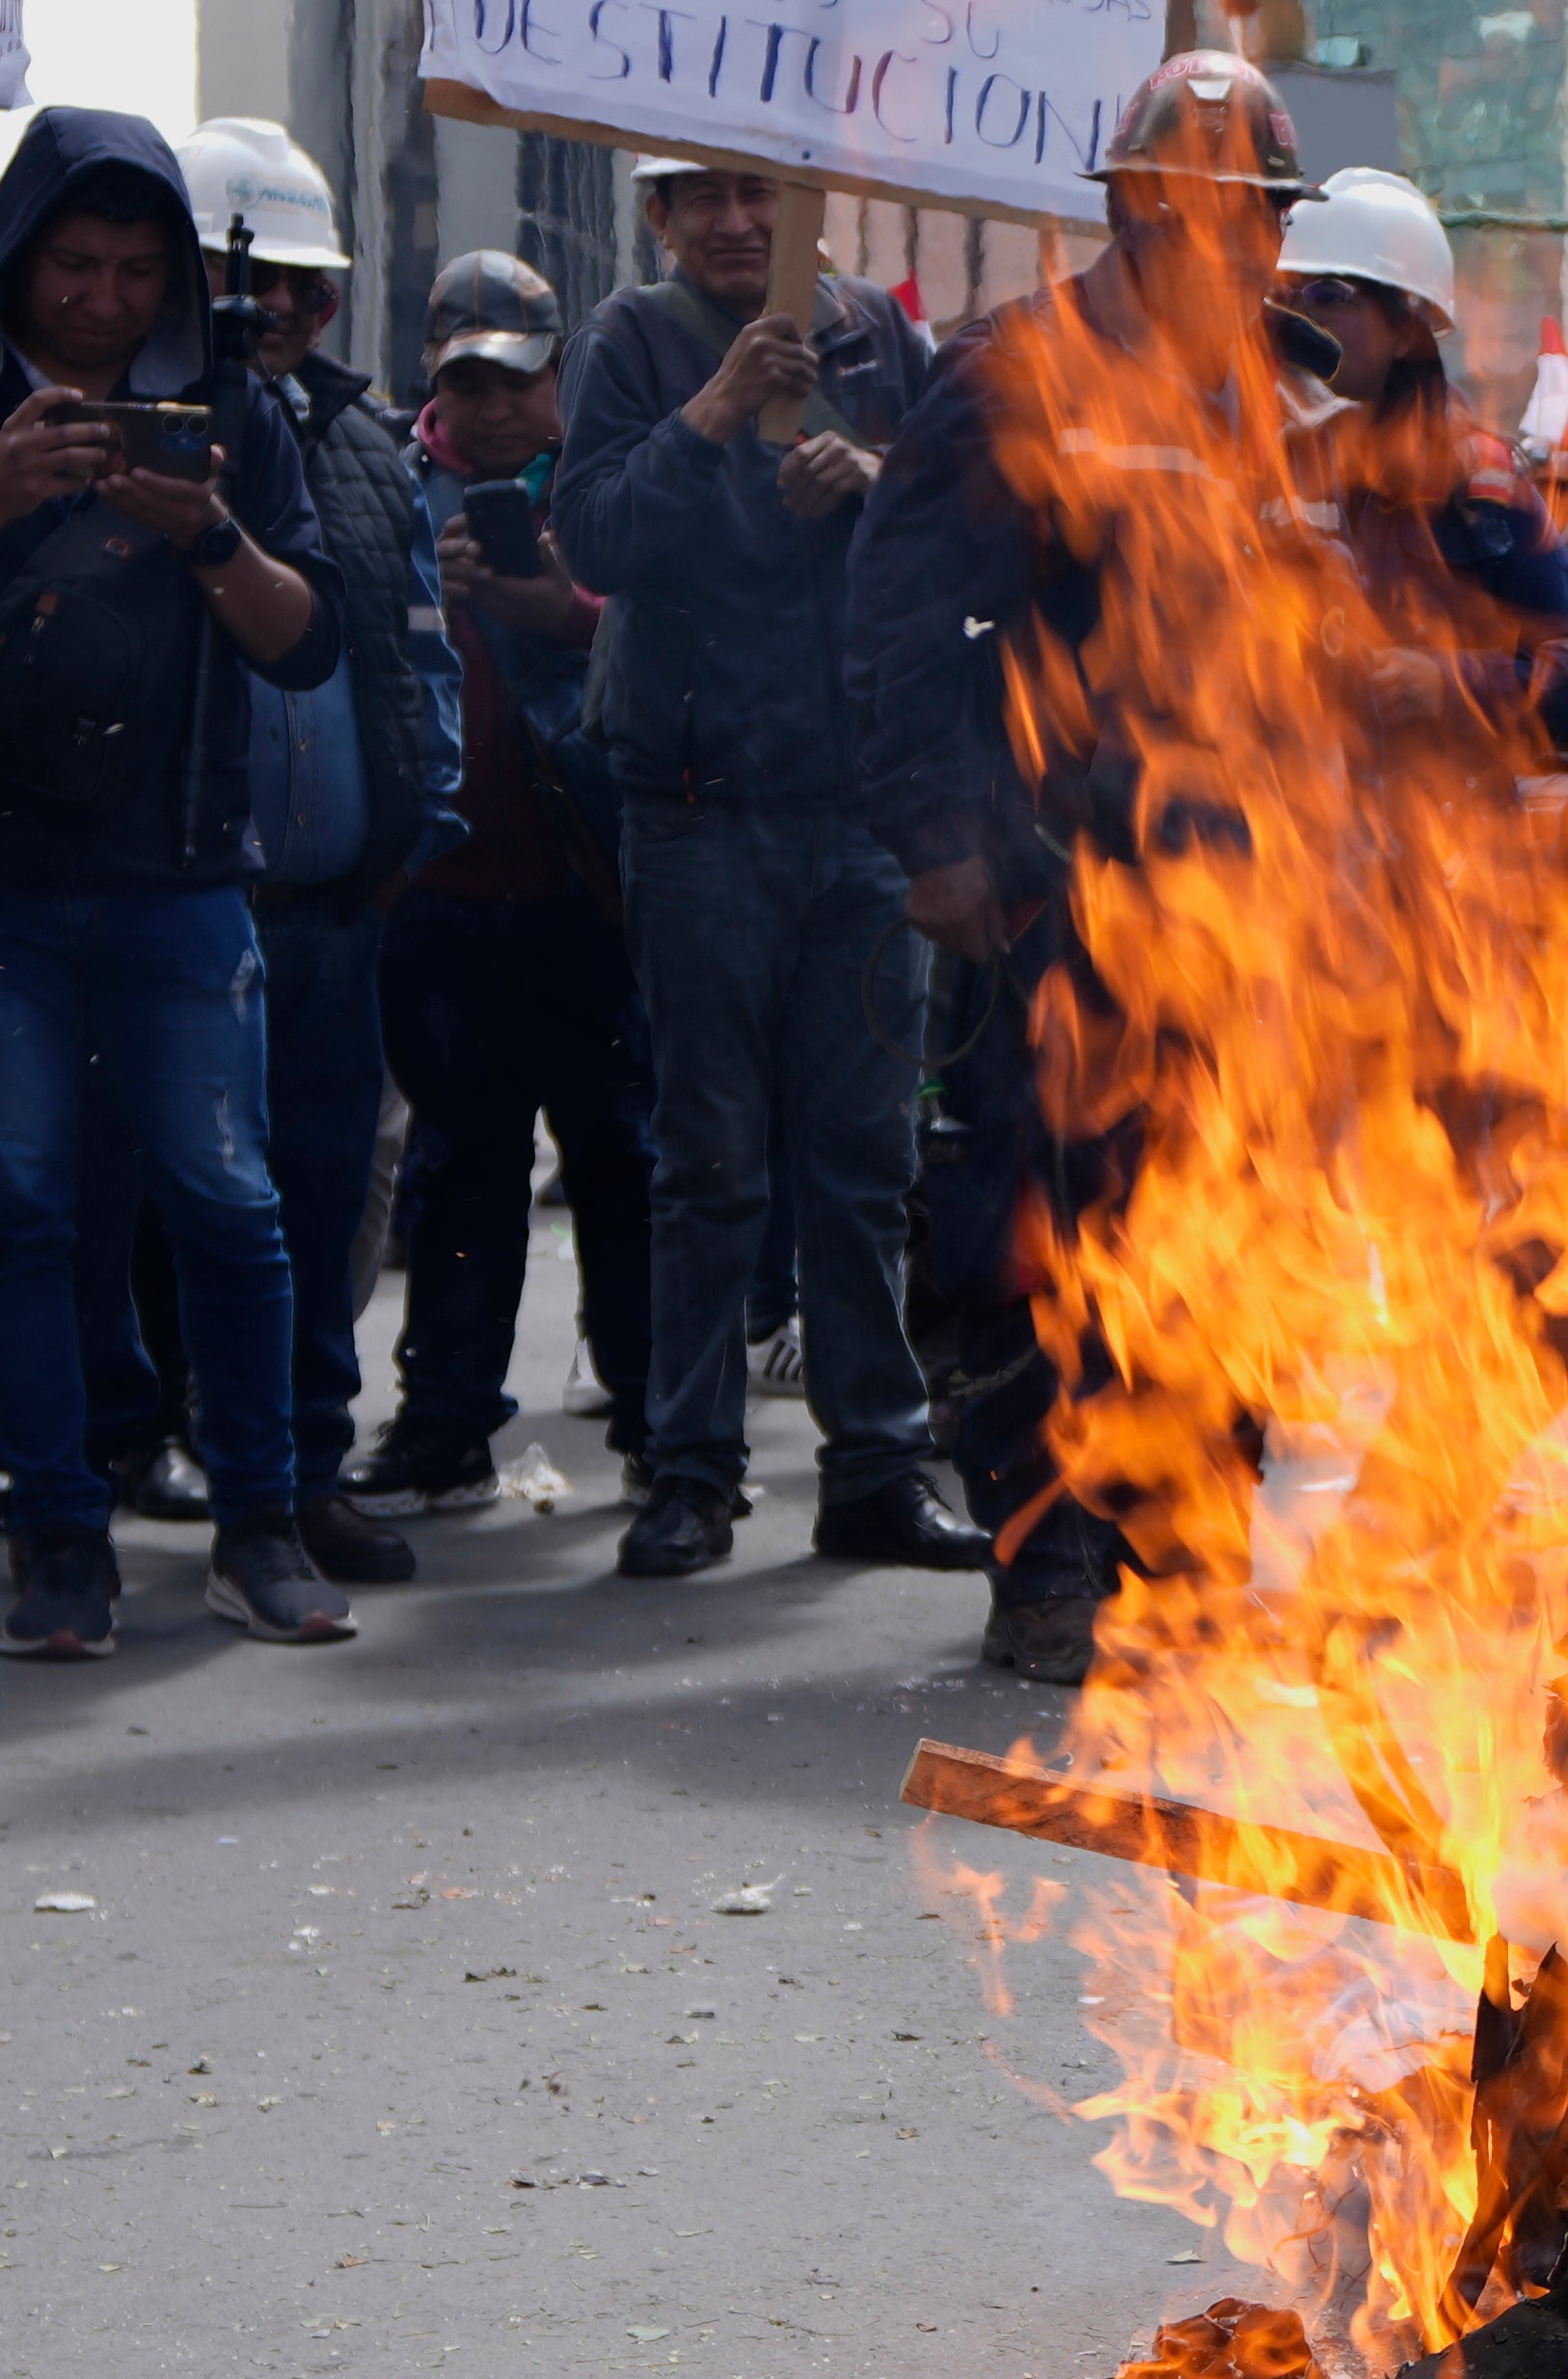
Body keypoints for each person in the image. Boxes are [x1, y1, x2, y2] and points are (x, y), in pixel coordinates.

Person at [846, 49, 1346, 1682]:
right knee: (1028, 1220)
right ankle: (1044, 1561)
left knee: (1222, 1219)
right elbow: (920, 618)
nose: (1225, 239)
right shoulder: (1015, 375)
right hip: (1051, 881)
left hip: (1236, 887)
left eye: (1251, 213)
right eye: (1191, 203)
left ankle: (1189, 1547)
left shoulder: (1296, 391)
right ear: (1133, 207)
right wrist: (945, 836)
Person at [554, 152, 987, 1580]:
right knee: (710, 1158)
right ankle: (690, 1465)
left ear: (803, 206)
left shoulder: (877, 333)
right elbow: (596, 534)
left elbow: (960, 549)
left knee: (865, 1160)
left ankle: (874, 1459)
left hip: (866, 817)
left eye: (760, 195)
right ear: (660, 218)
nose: (738, 224)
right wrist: (719, 410)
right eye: (704, 201)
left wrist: (875, 477)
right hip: (698, 811)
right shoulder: (632, 339)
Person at [66, 121, 463, 1592]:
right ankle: (123, 1437)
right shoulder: (112, 419)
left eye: (306, 286)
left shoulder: (361, 442)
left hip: (338, 903)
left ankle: (298, 1471)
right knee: (119, 1193)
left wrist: (421, 822)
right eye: (255, 283)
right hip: (166, 885)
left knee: (300, 1198)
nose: (282, 312)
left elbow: (401, 655)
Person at [0, 110, 345, 1658]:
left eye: (140, 271)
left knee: (231, 1200)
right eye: (73, 265)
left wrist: (206, 532)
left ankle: (257, 1524)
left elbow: (307, 641)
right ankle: (59, 1536)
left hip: (181, 867)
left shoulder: (232, 411)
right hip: (8, 878)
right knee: (19, 1204)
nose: (102, 301)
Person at [347, 250, 660, 1525]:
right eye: (466, 380)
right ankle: (444, 1426)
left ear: (555, 380)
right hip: (441, 887)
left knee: (620, 1157)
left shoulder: (593, 485)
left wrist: (548, 607)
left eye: (515, 380)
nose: (490, 407)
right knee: (459, 1166)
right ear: (436, 379)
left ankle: (656, 1417)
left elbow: (640, 620)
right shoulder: (384, 481)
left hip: (590, 879)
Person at [1269, 168, 1568, 789]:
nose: (1299, 318)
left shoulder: (1483, 487)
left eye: (1328, 294)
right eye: (1286, 294)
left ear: (1407, 330)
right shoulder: (1264, 462)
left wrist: (1450, 685)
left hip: (1444, 842)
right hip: (1289, 833)